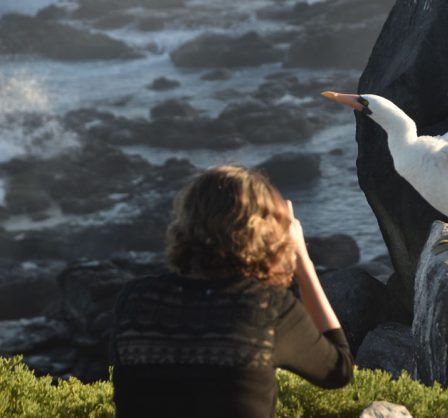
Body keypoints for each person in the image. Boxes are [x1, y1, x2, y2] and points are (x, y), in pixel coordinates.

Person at [111, 165, 353, 418]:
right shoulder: (266, 308)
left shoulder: (135, 300)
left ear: (185, 224)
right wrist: (303, 264)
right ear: (267, 234)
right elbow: (338, 370)